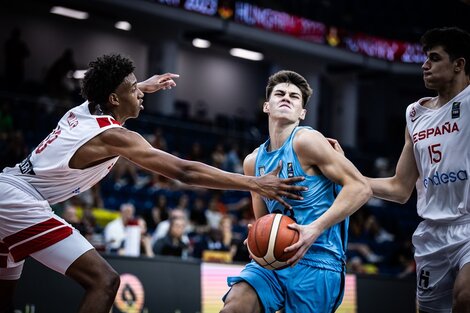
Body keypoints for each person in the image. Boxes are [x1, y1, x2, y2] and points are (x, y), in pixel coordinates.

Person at [0, 53, 307, 313]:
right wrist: (255, 183)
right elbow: (184, 172)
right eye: (134, 89)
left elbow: (107, 95)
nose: (141, 93)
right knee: (105, 282)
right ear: (113, 98)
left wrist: (141, 84)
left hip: (9, 192)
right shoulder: (113, 136)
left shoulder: (83, 111)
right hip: (19, 202)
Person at [221, 70, 371, 313]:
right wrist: (259, 236)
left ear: (302, 113)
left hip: (318, 261)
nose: (286, 98)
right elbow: (263, 219)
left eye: (294, 96)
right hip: (274, 260)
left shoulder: (307, 141)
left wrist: (314, 229)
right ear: (266, 106)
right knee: (235, 305)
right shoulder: (253, 161)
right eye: (280, 93)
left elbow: (360, 188)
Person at [353, 27, 470, 313]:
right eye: (425, 58)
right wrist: (348, 177)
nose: (424, 65)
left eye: (434, 58)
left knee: (465, 299)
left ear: (459, 65)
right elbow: (399, 188)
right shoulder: (415, 114)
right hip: (432, 233)